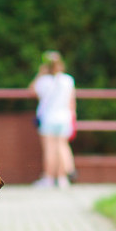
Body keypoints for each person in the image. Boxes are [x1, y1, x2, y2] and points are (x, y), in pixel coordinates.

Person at [29, 51, 77, 188]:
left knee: (49, 148)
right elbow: (72, 101)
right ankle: (62, 179)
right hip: (64, 117)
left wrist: (40, 73)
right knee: (62, 146)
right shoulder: (68, 80)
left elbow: (31, 90)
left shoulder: (43, 81)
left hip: (48, 117)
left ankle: (49, 178)